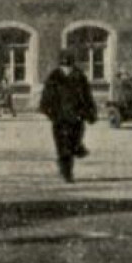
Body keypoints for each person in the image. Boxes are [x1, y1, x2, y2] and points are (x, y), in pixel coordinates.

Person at [39, 50, 98, 183]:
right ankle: (67, 173)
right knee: (63, 147)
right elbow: (46, 97)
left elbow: (87, 96)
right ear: (60, 65)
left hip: (77, 117)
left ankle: (76, 150)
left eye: (69, 65)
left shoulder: (79, 76)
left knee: (74, 142)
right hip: (60, 119)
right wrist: (50, 113)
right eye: (64, 66)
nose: (67, 69)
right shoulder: (54, 77)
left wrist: (91, 114)